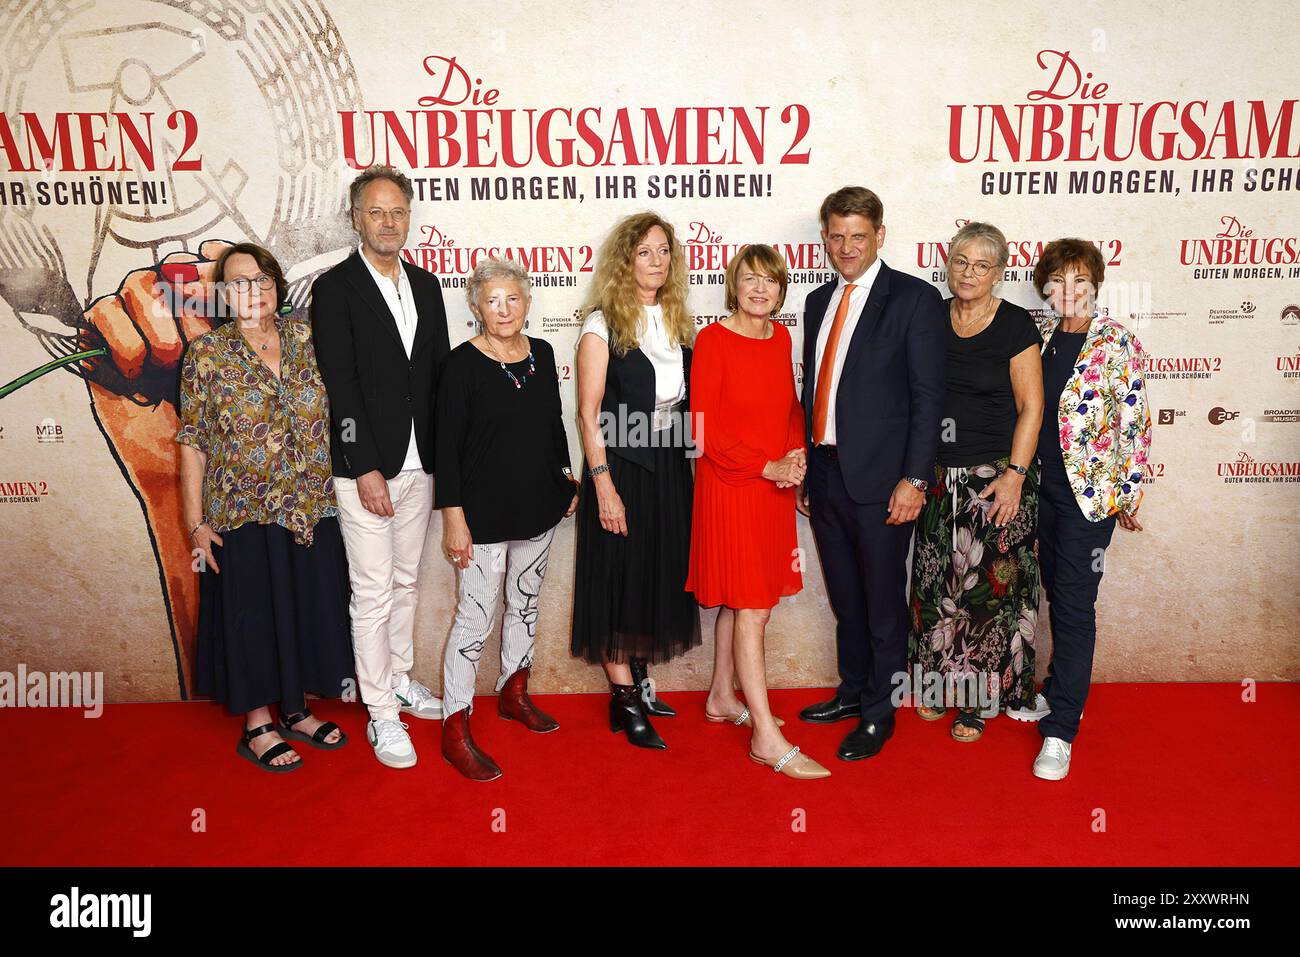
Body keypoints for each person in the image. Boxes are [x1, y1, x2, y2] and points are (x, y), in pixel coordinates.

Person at [177, 242, 353, 772]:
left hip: (312, 506)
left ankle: (297, 709)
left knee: (303, 607)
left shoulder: (310, 339)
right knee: (251, 616)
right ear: (223, 295)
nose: (250, 291)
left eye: (260, 280)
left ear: (276, 286)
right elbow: (192, 440)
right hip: (241, 511)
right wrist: (195, 524)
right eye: (236, 283)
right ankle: (257, 724)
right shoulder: (208, 355)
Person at [796, 186, 947, 762]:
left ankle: (880, 713)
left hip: (886, 481)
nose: (845, 247)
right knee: (846, 597)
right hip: (829, 473)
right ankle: (854, 692)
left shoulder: (914, 299)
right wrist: (811, 466)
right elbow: (818, 390)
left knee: (883, 600)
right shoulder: (817, 302)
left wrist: (915, 479)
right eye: (835, 236)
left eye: (858, 236)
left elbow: (928, 398)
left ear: (880, 235)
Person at [311, 165, 452, 769]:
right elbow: (339, 386)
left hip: (422, 461)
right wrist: (362, 464)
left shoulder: (426, 284)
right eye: (376, 212)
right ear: (356, 218)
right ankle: (381, 716)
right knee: (371, 592)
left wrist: (447, 457)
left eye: (397, 212)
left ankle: (397, 678)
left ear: (409, 218)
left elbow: (439, 376)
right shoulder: (335, 288)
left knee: (405, 583)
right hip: (367, 466)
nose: (388, 222)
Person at [688, 244, 830, 780]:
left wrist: (795, 459)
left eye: (769, 281)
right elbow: (702, 428)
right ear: (733, 284)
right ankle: (766, 738)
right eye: (749, 279)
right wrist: (765, 466)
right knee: (752, 607)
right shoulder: (713, 339)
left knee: (743, 599)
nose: (759, 289)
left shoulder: (782, 337)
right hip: (732, 483)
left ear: (780, 290)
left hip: (772, 485)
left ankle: (722, 696)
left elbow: (791, 406)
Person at [434, 258, 578, 781]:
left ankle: (514, 693)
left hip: (539, 506)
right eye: (492, 300)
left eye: (512, 299)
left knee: (525, 604)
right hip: (482, 516)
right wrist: (454, 518)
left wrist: (567, 481)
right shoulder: (460, 365)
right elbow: (445, 451)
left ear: (527, 303)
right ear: (476, 307)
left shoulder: (541, 352)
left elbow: (553, 426)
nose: (503, 309)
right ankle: (455, 726)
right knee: (475, 619)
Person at [1018, 238, 1151, 780]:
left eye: (1080, 282)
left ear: (1095, 285)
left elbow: (1136, 421)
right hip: (1038, 488)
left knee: (1074, 605)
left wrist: (1128, 491)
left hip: (1088, 497)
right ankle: (1056, 692)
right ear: (1045, 287)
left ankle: (1061, 730)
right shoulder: (1041, 337)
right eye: (1058, 282)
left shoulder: (1117, 342)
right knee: (1053, 589)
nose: (1068, 292)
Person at [907, 222, 1044, 742]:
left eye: (982, 264)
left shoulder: (1015, 326)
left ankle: (977, 700)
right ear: (947, 263)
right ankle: (938, 685)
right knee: (937, 583)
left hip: (996, 478)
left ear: (1000, 273)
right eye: (961, 261)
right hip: (939, 476)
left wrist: (1015, 476)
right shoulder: (929, 318)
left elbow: (1031, 406)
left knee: (990, 592)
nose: (969, 273)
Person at [571, 212, 700, 749]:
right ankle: (623, 701)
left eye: (663, 251)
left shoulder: (677, 319)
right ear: (625, 260)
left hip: (669, 465)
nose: (656, 261)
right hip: (621, 466)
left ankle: (641, 682)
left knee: (655, 572)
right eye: (644, 251)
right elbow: (588, 414)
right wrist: (603, 485)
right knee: (617, 576)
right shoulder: (602, 324)